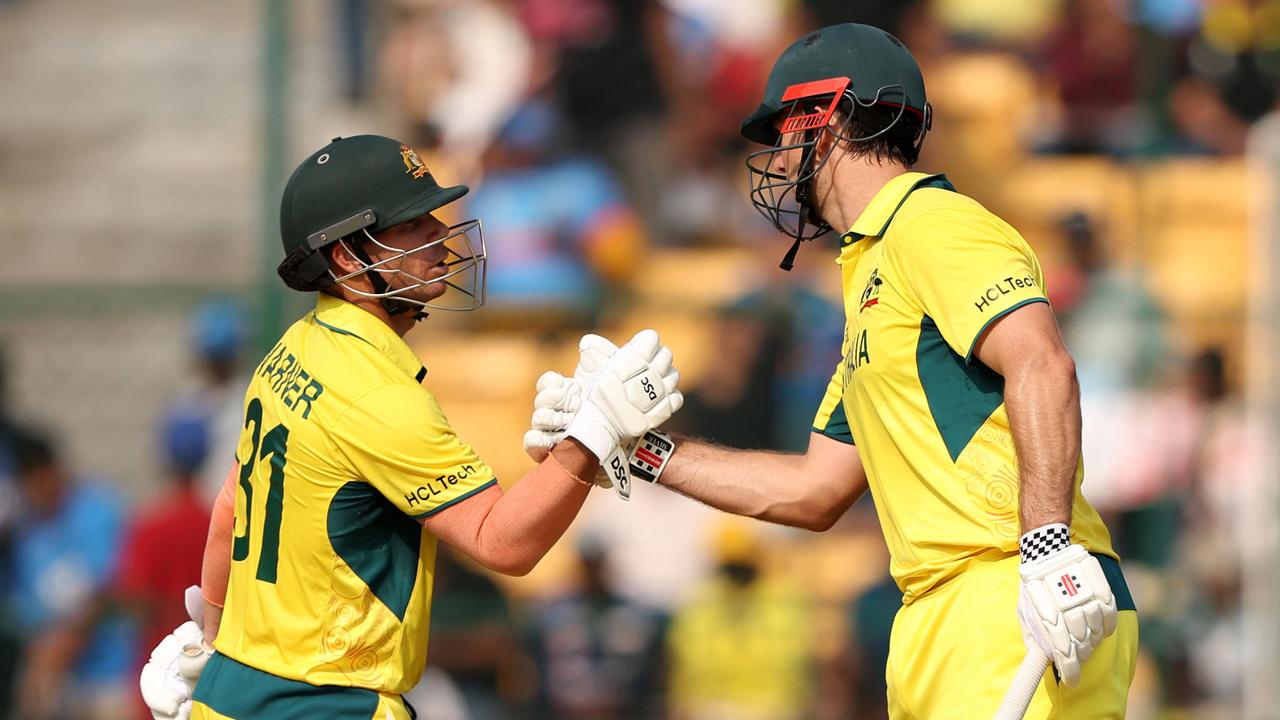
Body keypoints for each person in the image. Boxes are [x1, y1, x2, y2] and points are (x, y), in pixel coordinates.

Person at [528, 24, 1138, 718]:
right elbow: (813, 491)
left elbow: (1043, 362)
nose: (780, 160)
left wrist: (1050, 549)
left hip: (1009, 592)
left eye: (785, 131)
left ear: (828, 117)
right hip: (945, 614)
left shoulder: (933, 223)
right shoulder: (872, 272)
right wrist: (632, 448)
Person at [138, 134, 683, 720]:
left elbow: (230, 507)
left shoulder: (292, 349)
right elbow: (503, 543)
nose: (440, 238)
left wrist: (214, 641)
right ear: (346, 256)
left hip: (229, 697)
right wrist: (593, 437)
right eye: (411, 225)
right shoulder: (376, 392)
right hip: (328, 705)